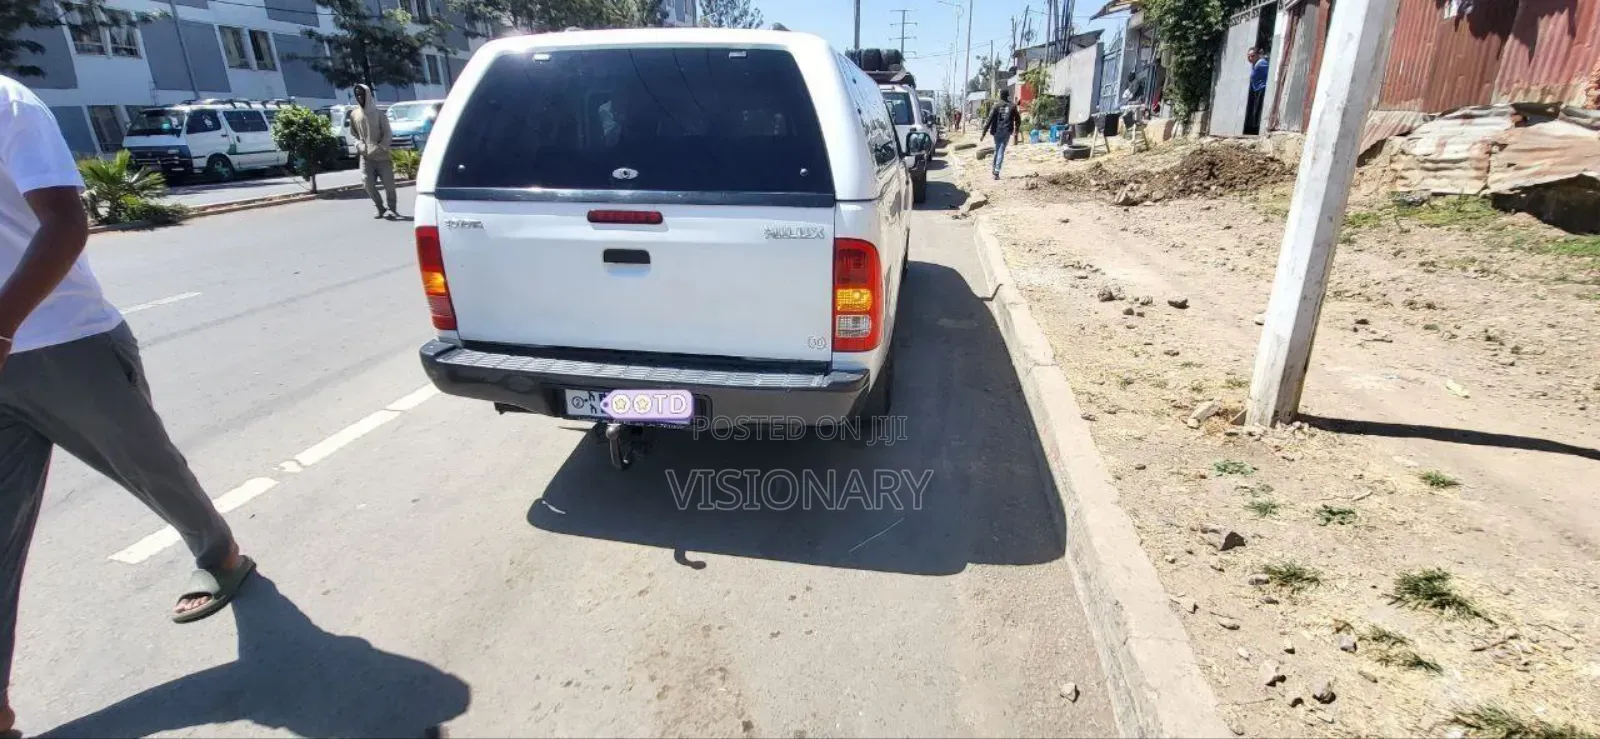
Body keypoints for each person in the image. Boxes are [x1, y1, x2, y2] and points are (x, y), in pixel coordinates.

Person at [0, 73, 255, 734]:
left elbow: (65, 221)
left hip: (65, 342)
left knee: (154, 473)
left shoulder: (8, 103)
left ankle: (221, 551)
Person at [349, 83, 398, 219]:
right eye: (357, 94)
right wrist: (359, 145)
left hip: (382, 156)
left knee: (389, 185)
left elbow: (388, 133)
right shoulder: (354, 114)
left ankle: (392, 208)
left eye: (362, 94)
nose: (360, 97)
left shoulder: (379, 114)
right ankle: (379, 207)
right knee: (367, 183)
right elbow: (353, 134)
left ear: (368, 95)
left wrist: (381, 146)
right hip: (366, 157)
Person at [979, 90, 1023, 181]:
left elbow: (989, 120)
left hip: (996, 131)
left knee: (997, 149)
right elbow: (1018, 119)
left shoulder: (996, 106)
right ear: (1007, 96)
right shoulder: (1012, 106)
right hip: (1006, 131)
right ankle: (996, 172)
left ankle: (994, 170)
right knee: (1001, 150)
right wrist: (1016, 130)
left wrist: (983, 134)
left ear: (1000, 96)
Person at [1245, 47, 1270, 136]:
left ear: (1257, 55)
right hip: (1257, 89)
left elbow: (1269, 72)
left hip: (1261, 89)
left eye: (1252, 56)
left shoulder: (1261, 63)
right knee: (1254, 110)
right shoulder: (1254, 63)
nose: (1250, 58)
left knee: (1258, 110)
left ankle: (1256, 130)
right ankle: (1253, 129)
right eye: (1249, 56)